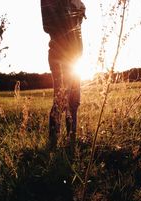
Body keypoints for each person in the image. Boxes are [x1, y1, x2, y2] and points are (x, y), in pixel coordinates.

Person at [40, 0, 86, 149]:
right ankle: (53, 143)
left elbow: (77, 28)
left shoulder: (75, 2)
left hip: (75, 57)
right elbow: (48, 25)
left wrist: (78, 9)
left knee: (74, 101)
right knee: (60, 100)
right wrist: (74, 11)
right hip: (59, 55)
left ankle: (71, 140)